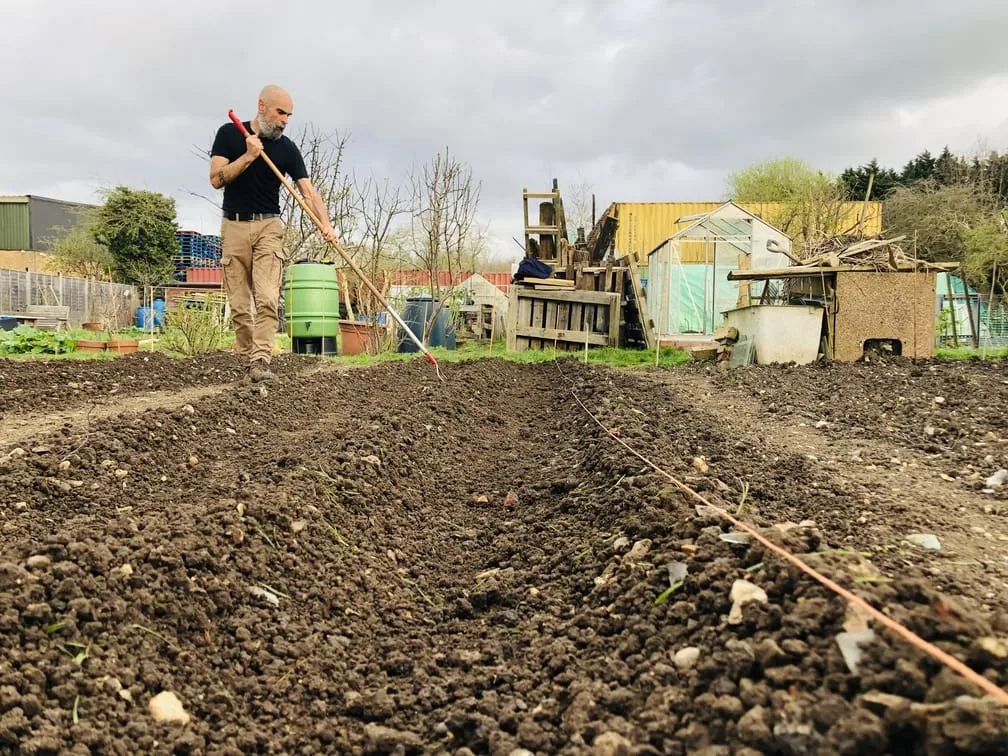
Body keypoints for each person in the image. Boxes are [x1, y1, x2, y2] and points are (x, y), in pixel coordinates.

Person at [209, 84, 339, 382]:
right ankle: (246, 364)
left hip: (269, 226)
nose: (284, 120)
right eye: (281, 112)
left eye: (289, 115)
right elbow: (216, 179)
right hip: (234, 226)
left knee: (267, 299)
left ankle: (259, 362)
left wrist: (326, 224)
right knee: (240, 306)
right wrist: (249, 155)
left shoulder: (287, 148)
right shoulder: (230, 134)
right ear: (262, 106)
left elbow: (307, 190)